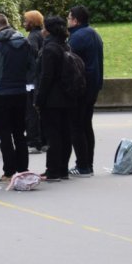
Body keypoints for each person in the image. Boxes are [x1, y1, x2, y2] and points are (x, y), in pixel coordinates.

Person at [0, 13, 32, 183]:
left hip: (1, 92)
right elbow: (30, 65)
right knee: (19, 132)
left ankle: (9, 171)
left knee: (5, 134)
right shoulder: (24, 40)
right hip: (20, 91)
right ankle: (23, 169)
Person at [35, 16, 75, 182]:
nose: (42, 30)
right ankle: (62, 169)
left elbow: (46, 76)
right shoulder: (65, 45)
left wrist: (39, 99)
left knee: (53, 135)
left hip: (52, 98)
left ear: (49, 30)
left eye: (44, 27)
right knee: (65, 133)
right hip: (66, 95)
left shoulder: (49, 49)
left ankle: (53, 171)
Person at [67, 5, 104, 177]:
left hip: (81, 87)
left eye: (68, 18)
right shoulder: (93, 34)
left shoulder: (77, 37)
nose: (67, 21)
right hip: (93, 85)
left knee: (77, 126)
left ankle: (82, 165)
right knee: (86, 125)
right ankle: (88, 163)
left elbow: (69, 61)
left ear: (75, 20)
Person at [23, 10, 47, 153]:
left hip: (31, 80)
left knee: (31, 112)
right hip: (38, 78)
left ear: (31, 23)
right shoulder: (42, 35)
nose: (24, 24)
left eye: (26, 21)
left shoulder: (32, 37)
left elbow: (32, 58)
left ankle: (34, 141)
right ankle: (43, 140)